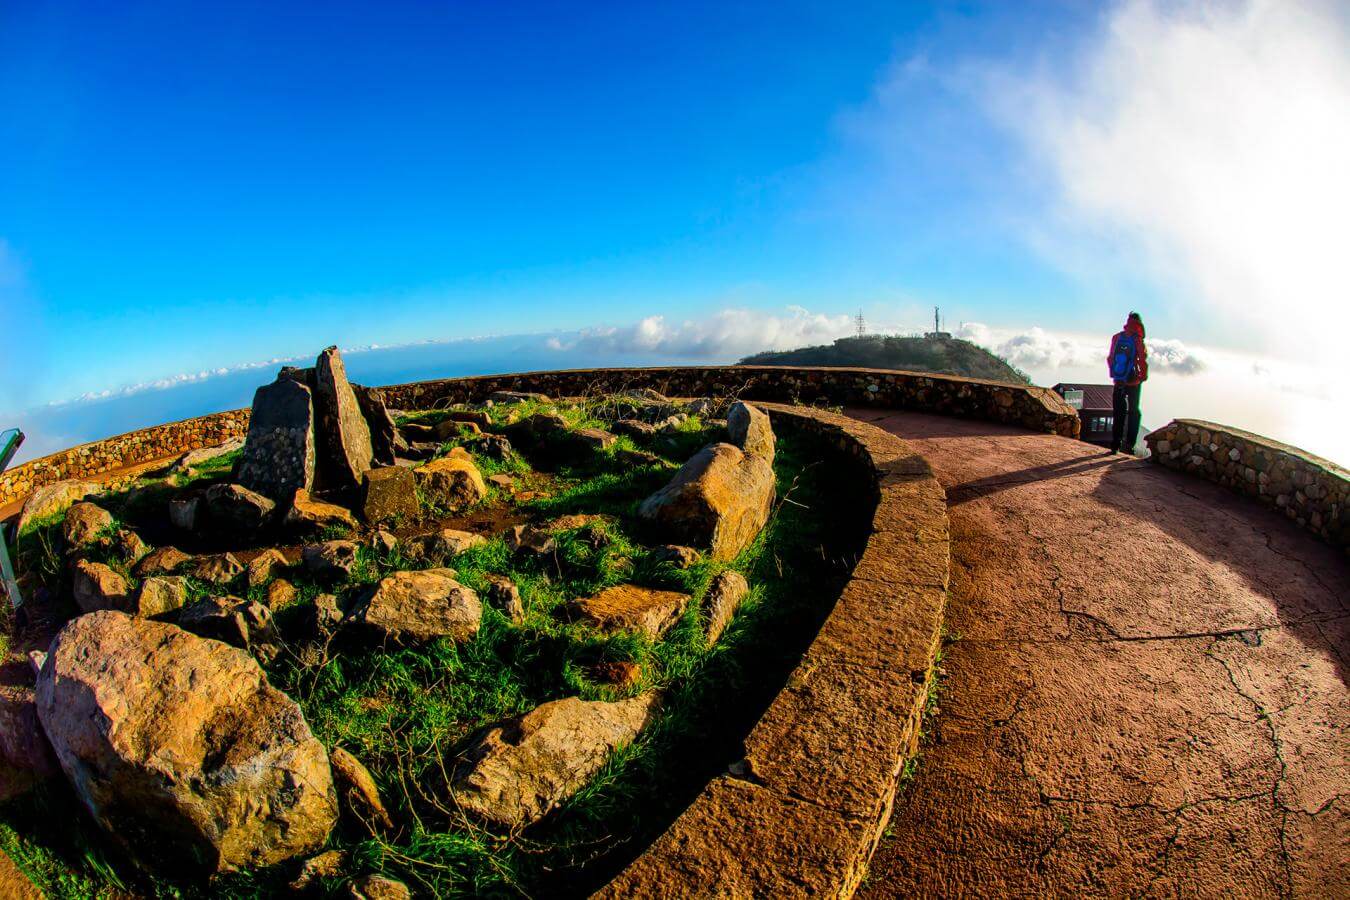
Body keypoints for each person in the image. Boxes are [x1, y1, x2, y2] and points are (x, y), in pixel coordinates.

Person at [1106, 312, 1148, 454]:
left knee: (1118, 412)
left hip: (1119, 380)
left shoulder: (1117, 337)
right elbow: (1142, 360)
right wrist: (1143, 376)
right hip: (1133, 381)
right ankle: (1129, 444)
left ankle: (1115, 444)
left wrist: (1115, 375)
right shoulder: (1138, 340)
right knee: (1134, 412)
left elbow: (1111, 358)